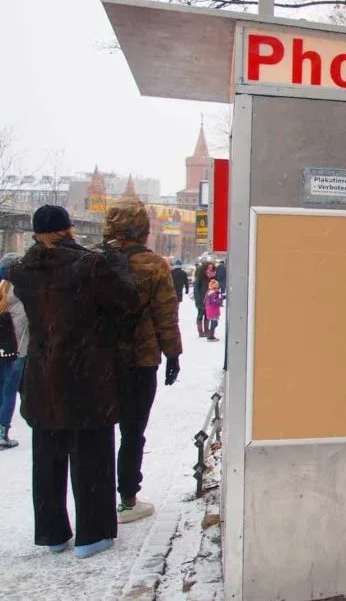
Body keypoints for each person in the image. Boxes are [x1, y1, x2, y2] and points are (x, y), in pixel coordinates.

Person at [1, 205, 139, 559]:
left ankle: (52, 533)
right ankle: (93, 535)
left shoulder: (22, 270)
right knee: (91, 454)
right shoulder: (89, 266)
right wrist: (118, 264)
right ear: (69, 228)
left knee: (47, 456)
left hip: (42, 376)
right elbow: (128, 303)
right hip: (86, 376)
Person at [101, 197, 183, 525]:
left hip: (99, 360)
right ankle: (128, 498)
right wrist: (173, 354)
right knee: (133, 431)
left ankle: (96, 497)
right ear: (143, 228)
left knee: (100, 429)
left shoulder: (95, 261)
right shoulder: (155, 266)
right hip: (141, 359)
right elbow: (166, 315)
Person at [0, 270, 28, 449]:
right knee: (9, 392)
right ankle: (2, 432)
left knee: (1, 389)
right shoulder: (22, 293)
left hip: (2, 350)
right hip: (18, 351)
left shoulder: (2, 290)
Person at [193, 260, 210, 337]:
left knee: (207, 315)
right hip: (201, 299)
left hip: (208, 299)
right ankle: (200, 331)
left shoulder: (208, 277)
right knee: (200, 314)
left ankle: (206, 330)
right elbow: (196, 289)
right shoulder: (200, 277)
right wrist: (199, 299)